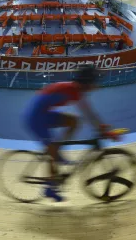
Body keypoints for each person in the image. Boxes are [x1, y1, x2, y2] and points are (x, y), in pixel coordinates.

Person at [24, 64, 115, 202]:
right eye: (94, 82)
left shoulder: (74, 89)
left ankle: (57, 150)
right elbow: (89, 113)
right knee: (53, 150)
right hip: (35, 118)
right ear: (87, 83)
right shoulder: (73, 90)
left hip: (42, 113)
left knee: (74, 122)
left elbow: (88, 113)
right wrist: (102, 129)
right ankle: (49, 188)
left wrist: (101, 127)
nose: (95, 86)